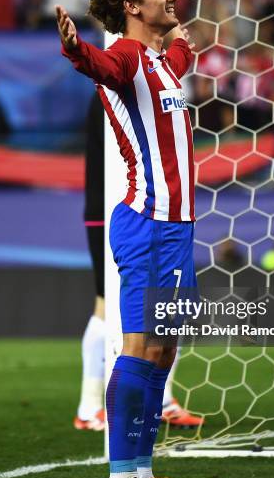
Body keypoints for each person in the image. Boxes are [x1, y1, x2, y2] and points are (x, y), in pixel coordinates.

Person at [57, 0, 203, 478]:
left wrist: (183, 40)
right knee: (140, 346)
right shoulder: (124, 57)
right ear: (132, 8)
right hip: (147, 225)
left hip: (177, 227)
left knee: (164, 350)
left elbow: (178, 60)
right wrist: (75, 49)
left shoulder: (163, 64)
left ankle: (142, 470)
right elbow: (101, 65)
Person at [74, 96, 204, 432]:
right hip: (113, 210)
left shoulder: (140, 84)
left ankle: (161, 400)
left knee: (165, 309)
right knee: (107, 305)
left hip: (152, 212)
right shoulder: (109, 92)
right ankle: (89, 406)